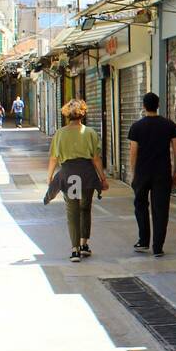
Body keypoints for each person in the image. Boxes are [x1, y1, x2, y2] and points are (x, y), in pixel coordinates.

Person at [48, 99, 109, 262]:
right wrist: (102, 178)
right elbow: (96, 159)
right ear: (83, 113)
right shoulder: (90, 132)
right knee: (85, 209)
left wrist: (50, 178)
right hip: (87, 174)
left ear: (67, 114)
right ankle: (84, 244)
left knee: (72, 211)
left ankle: (74, 250)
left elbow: (54, 158)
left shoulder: (60, 133)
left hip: (68, 174)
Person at [128, 91, 176, 257]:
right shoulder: (169, 125)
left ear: (144, 106)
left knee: (141, 206)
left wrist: (132, 174)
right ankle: (158, 247)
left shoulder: (136, 127)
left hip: (142, 174)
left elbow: (133, 153)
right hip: (162, 174)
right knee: (161, 210)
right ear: (158, 105)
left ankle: (143, 241)